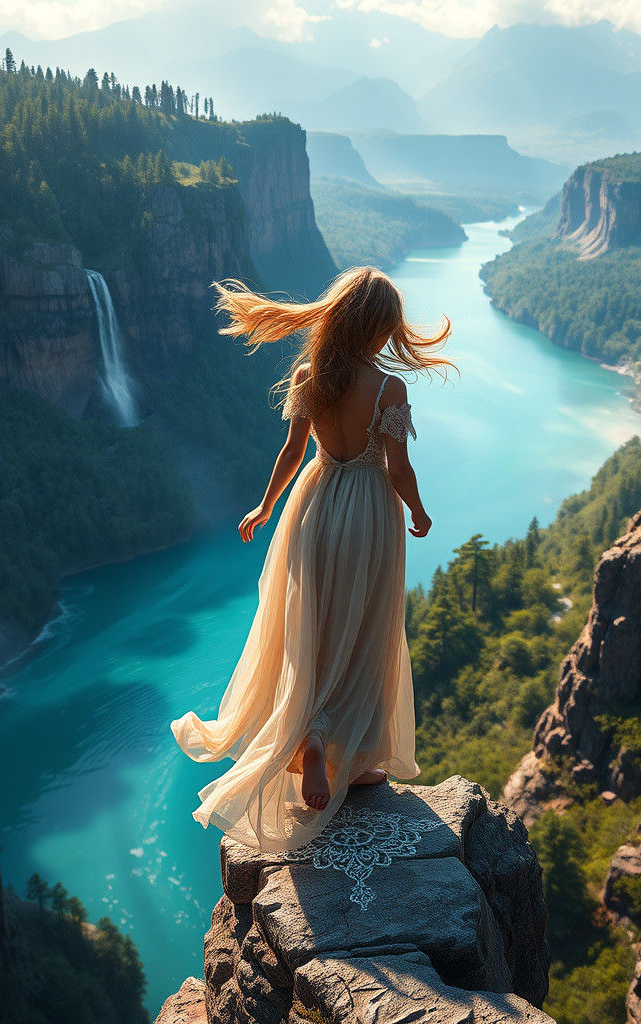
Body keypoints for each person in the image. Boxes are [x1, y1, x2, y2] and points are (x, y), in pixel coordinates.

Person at [170, 265, 453, 853]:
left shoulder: (309, 376)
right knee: (363, 629)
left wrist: (264, 508)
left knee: (309, 627)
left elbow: (293, 451)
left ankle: (308, 733)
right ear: (378, 329)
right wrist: (420, 511)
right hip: (369, 509)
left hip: (315, 505)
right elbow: (396, 468)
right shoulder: (387, 390)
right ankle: (338, 740)